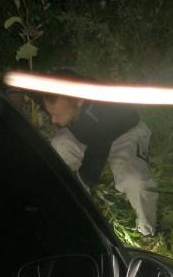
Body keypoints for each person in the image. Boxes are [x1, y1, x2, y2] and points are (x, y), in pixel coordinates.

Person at [41, 84, 158, 237]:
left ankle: (147, 231)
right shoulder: (65, 92)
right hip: (85, 134)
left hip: (124, 136)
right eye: (51, 113)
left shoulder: (100, 113)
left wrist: (81, 185)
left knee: (135, 181)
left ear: (79, 101)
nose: (53, 120)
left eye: (58, 114)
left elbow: (94, 160)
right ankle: (59, 194)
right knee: (60, 146)